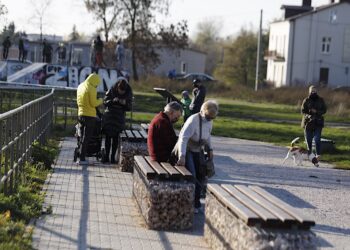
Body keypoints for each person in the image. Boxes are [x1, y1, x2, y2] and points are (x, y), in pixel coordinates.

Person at [176, 100, 218, 213]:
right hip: (188, 149)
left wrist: (210, 149)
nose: (209, 119)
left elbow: (208, 135)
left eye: (212, 118)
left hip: (198, 149)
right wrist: (182, 156)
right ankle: (189, 203)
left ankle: (197, 202)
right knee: (192, 176)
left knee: (201, 175)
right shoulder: (193, 120)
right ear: (202, 111)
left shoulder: (209, 121)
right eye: (208, 116)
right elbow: (183, 139)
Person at [102, 77, 133, 163]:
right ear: (117, 88)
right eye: (120, 91)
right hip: (110, 115)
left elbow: (130, 107)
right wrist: (112, 101)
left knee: (115, 138)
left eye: (122, 91)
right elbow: (105, 102)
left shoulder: (129, 92)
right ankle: (106, 156)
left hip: (119, 117)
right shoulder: (111, 89)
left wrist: (125, 104)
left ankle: (112, 157)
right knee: (108, 137)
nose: (121, 93)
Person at [76, 73, 103, 165]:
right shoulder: (91, 88)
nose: (96, 86)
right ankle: (82, 158)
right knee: (86, 138)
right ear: (94, 81)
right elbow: (93, 103)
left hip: (80, 114)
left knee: (81, 136)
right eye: (96, 84)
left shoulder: (80, 86)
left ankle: (80, 155)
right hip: (90, 116)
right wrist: (101, 100)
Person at [301, 85, 327, 160]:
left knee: (317, 139)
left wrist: (317, 112)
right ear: (309, 91)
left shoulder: (321, 100)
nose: (313, 92)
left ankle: (318, 154)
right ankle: (310, 154)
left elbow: (324, 110)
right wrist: (308, 114)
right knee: (308, 139)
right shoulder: (306, 100)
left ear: (317, 91)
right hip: (308, 122)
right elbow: (303, 111)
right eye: (312, 91)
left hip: (318, 122)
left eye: (315, 91)